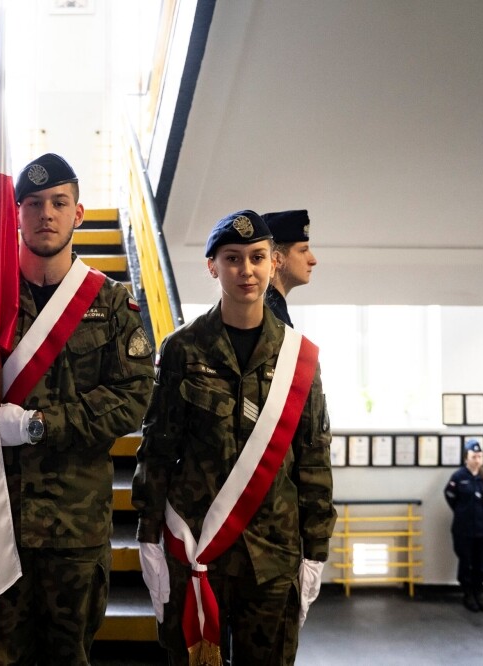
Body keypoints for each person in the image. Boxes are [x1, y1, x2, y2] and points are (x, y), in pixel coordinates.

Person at [132, 210, 336, 665]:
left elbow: (314, 460)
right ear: (212, 266)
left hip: (273, 555)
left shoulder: (298, 358)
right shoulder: (182, 349)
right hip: (197, 551)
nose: (246, 270)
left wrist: (316, 549)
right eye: (233, 258)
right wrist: (148, 536)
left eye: (257, 257)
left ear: (273, 263)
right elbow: (158, 449)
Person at [0, 152, 156, 665]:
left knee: (69, 656)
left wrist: (37, 426)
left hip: (74, 525)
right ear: (16, 215)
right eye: (34, 203)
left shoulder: (112, 305)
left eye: (59, 203)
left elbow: (131, 399)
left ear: (78, 214)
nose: (47, 214)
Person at [444, 438, 483, 613]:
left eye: (480, 456)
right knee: (466, 563)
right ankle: (468, 595)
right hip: (463, 529)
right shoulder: (458, 477)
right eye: (474, 456)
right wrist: (461, 513)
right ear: (466, 458)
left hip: (482, 529)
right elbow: (450, 496)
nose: (477, 460)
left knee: (480, 564)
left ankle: (478, 593)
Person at [261, 209, 317, 327]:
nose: (313, 260)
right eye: (303, 251)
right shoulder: (269, 314)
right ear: (277, 259)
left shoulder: (272, 307)